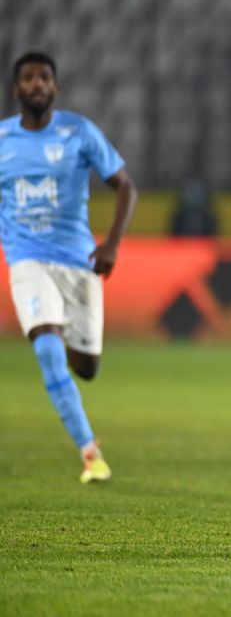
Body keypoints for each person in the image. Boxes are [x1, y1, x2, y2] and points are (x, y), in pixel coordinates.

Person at [2, 51, 138, 483]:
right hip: (26, 259)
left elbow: (125, 186)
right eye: (28, 77)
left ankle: (69, 351)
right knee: (46, 345)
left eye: (44, 77)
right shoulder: (2, 139)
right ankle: (89, 453)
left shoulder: (78, 132)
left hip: (79, 262)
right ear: (16, 90)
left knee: (87, 367)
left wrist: (112, 244)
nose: (37, 84)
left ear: (55, 89)